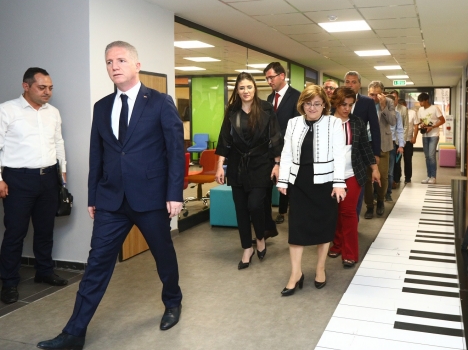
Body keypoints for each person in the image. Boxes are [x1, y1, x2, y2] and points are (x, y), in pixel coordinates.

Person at [38, 41, 184, 350]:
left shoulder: (159, 102)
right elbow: (98, 154)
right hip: (111, 200)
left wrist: (174, 194)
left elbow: (174, 151)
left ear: (136, 65)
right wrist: (93, 196)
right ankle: (74, 333)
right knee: (96, 264)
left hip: (151, 198)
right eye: (108, 62)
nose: (114, 66)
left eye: (120, 60)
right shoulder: (102, 106)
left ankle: (173, 301)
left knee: (163, 255)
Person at [0, 67, 68, 305]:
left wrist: (62, 173)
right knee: (15, 232)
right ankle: (9, 282)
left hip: (48, 178)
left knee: (45, 229)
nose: (47, 92)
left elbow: (58, 143)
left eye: (50, 88)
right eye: (42, 87)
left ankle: (44, 271)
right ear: (26, 86)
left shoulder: (53, 112)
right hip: (18, 179)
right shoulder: (7, 110)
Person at [277, 85, 346, 296]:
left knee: (323, 228)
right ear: (302, 104)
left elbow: (340, 154)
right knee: (296, 229)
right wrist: (283, 180)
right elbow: (287, 153)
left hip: (324, 183)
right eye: (308, 103)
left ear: (324, 104)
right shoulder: (293, 123)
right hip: (299, 182)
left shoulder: (334, 123)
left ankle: (320, 268)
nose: (312, 107)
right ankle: (295, 273)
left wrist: (339, 183)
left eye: (317, 103)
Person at [214, 73, 282, 269]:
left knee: (255, 205)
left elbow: (275, 137)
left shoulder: (266, 108)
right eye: (242, 88)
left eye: (249, 87)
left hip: (261, 164)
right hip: (237, 165)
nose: (246, 91)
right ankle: (247, 248)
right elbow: (225, 139)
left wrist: (277, 164)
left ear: (255, 88)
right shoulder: (232, 110)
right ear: (237, 90)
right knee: (241, 208)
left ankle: (260, 237)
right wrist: (220, 165)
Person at [327, 88, 379, 268]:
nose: (347, 109)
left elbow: (365, 147)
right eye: (343, 104)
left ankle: (350, 252)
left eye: (350, 105)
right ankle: (337, 244)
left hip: (353, 173)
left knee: (348, 211)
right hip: (331, 174)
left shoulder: (357, 122)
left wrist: (374, 168)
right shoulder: (325, 122)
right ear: (335, 103)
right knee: (335, 212)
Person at [265, 62, 301, 226]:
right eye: (267, 79)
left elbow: (297, 124)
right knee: (273, 179)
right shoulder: (270, 98)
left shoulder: (296, 96)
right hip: (271, 148)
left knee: (287, 180)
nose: (269, 81)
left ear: (282, 76)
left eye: (271, 77)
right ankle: (270, 213)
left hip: (289, 147)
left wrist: (279, 139)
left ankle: (283, 211)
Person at [343, 71, 381, 219]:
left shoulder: (367, 102)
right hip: (340, 151)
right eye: (347, 82)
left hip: (359, 151)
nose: (350, 85)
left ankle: (354, 219)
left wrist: (375, 153)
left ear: (359, 84)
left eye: (353, 82)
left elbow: (375, 128)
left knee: (358, 185)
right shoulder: (337, 101)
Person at [364, 81, 396, 219]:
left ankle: (381, 201)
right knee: (366, 178)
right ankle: (369, 205)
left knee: (382, 176)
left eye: (377, 95)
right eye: (371, 94)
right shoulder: (363, 102)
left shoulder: (388, 102)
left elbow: (393, 121)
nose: (374, 97)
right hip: (367, 143)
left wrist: (383, 107)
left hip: (383, 144)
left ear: (382, 94)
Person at [417, 92, 445, 184]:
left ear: (427, 100)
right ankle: (428, 176)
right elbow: (421, 121)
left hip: (434, 135)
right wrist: (422, 125)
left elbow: (442, 120)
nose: (420, 103)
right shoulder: (420, 110)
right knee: (427, 156)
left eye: (422, 101)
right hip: (425, 135)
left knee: (431, 156)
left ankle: (433, 177)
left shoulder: (435, 108)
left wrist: (432, 127)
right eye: (419, 101)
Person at [385, 95, 404, 202]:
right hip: (379, 145)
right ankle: (377, 194)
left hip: (392, 144)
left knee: (390, 172)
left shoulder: (397, 115)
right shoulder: (379, 113)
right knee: (378, 170)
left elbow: (400, 130)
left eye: (392, 103)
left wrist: (401, 145)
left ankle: (388, 193)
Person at [392, 94, 409, 186]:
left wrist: (403, 141)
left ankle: (396, 180)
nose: (393, 99)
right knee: (391, 162)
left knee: (397, 161)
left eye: (394, 97)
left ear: (397, 98)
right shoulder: (384, 109)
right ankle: (393, 180)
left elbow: (405, 126)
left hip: (399, 140)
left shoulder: (403, 109)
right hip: (390, 140)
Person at [404, 105, 420, 184]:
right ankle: (396, 178)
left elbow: (416, 125)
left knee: (408, 159)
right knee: (397, 161)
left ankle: (408, 177)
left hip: (408, 140)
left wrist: (414, 137)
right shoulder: (396, 112)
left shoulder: (412, 113)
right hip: (398, 141)